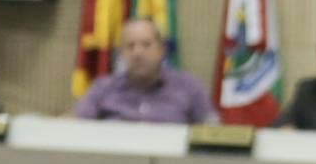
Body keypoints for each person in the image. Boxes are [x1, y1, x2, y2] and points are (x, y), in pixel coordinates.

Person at [71, 16, 216, 125]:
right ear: (121, 53)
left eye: (146, 45)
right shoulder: (102, 88)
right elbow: (76, 128)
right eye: (130, 46)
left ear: (161, 50)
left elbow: (211, 135)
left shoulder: (189, 88)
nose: (138, 53)